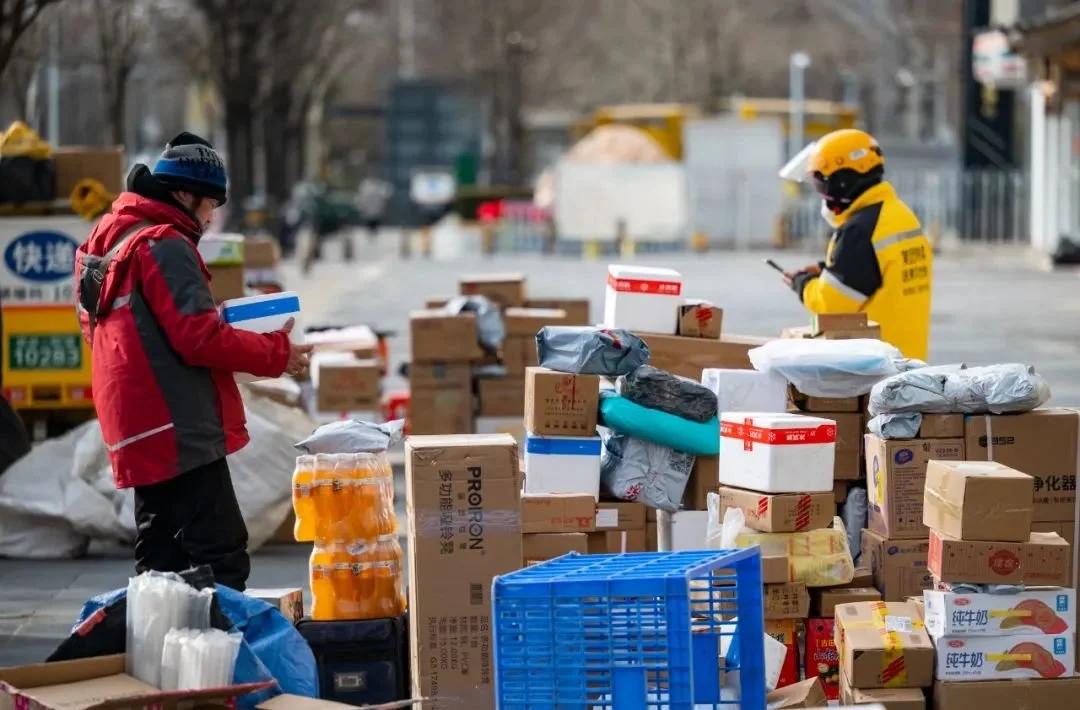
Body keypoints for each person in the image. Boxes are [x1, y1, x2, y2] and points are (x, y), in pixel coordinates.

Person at [74, 132, 312, 590]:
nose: (210, 218)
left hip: (136, 421)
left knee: (160, 557)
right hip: (175, 423)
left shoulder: (108, 241)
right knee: (221, 552)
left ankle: (154, 655)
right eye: (208, 205)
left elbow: (122, 330)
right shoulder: (164, 244)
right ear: (185, 195)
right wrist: (277, 353)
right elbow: (197, 337)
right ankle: (215, 657)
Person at [784, 129, 932, 360]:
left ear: (843, 181)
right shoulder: (900, 215)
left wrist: (801, 284)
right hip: (909, 358)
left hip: (875, 367)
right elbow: (878, 273)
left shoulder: (860, 230)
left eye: (822, 185)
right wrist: (828, 270)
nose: (822, 195)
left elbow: (831, 307)